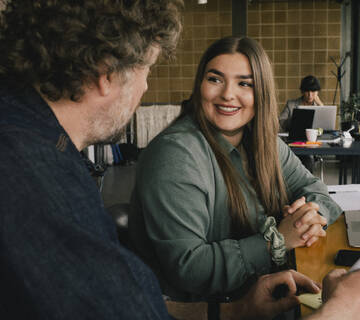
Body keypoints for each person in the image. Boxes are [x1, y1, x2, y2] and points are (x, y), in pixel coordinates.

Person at [0, 0, 360, 319]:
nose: (145, 88)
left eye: (244, 83)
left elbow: (129, 306)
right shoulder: (29, 177)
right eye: (148, 68)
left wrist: (231, 311)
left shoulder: (27, 145)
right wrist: (346, 312)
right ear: (106, 72)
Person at [128, 36, 342, 302]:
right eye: (215, 79)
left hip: (263, 292)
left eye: (244, 83)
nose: (228, 94)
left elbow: (318, 192)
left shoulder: (265, 143)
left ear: (261, 91)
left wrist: (307, 218)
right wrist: (276, 241)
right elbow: (190, 269)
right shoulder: (176, 154)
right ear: (200, 85)